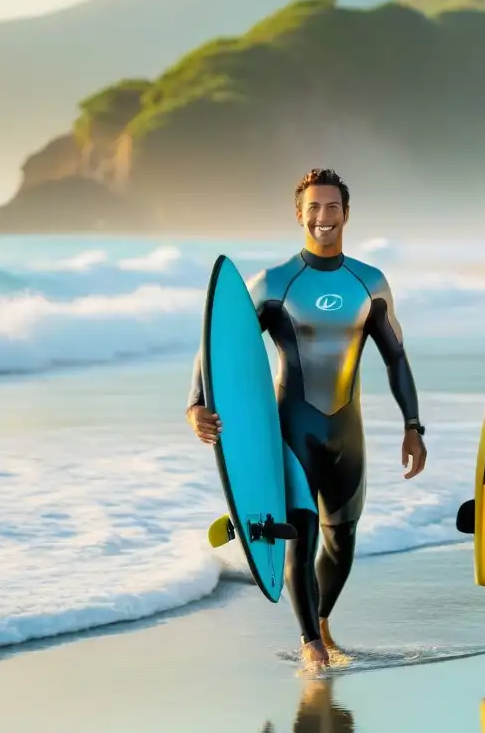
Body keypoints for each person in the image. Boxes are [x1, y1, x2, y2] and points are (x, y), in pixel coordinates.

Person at [185, 168, 428, 671]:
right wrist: (195, 404)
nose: (323, 217)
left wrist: (413, 425)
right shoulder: (273, 283)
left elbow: (396, 358)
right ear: (299, 214)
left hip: (347, 431)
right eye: (313, 208)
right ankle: (310, 643)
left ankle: (320, 624)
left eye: (332, 207)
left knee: (343, 541)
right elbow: (219, 345)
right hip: (292, 429)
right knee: (301, 532)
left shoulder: (370, 282)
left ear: (346, 213)